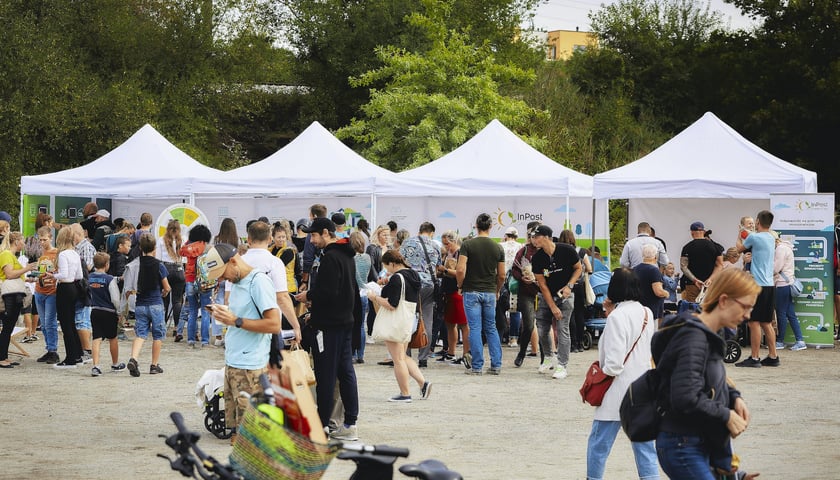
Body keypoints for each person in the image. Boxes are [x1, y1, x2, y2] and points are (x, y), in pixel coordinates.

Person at [654, 268, 758, 479]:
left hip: (696, 440)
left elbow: (711, 379)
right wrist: (726, 414)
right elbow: (685, 396)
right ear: (723, 300)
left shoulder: (709, 333)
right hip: (683, 444)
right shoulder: (695, 337)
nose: (747, 316)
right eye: (745, 307)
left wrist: (734, 397)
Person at [198, 243, 282, 444]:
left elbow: (273, 323)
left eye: (222, 273)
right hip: (235, 361)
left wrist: (235, 320)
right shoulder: (237, 282)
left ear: (233, 261)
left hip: (251, 364)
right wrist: (224, 313)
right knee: (237, 432)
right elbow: (241, 315)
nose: (221, 279)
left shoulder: (258, 282)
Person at [585, 267, 658, 480]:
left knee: (599, 444)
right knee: (645, 448)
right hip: (642, 389)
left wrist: (602, 371)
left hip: (617, 391)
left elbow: (614, 363)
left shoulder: (617, 317)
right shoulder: (647, 312)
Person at [294, 217, 360, 441]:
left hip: (329, 326)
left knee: (326, 375)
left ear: (325, 233)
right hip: (344, 323)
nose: (311, 241)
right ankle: (350, 423)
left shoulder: (331, 257)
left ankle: (321, 426)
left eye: (313, 236)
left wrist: (308, 296)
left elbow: (328, 292)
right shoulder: (346, 255)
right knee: (345, 373)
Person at [367, 249, 432, 402]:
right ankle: (423, 383)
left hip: (397, 322)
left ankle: (405, 394)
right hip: (410, 319)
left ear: (392, 263)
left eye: (387, 266)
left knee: (398, 360)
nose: (386, 269)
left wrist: (374, 297)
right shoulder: (413, 274)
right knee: (403, 356)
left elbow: (391, 304)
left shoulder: (397, 278)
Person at [456, 213, 505, 375]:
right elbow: (502, 275)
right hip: (490, 292)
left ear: (476, 226)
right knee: (491, 327)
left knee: (475, 328)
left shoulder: (467, 245)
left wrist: (460, 285)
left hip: (471, 291)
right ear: (491, 227)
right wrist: (497, 290)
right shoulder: (498, 247)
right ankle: (496, 365)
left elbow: (461, 269)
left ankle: (477, 366)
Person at [530, 224, 582, 379]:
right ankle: (547, 356)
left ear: (547, 237)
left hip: (565, 296)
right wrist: (552, 306)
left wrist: (569, 285)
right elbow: (542, 285)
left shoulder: (567, 250)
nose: (534, 240)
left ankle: (562, 365)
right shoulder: (538, 258)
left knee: (562, 328)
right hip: (546, 296)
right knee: (542, 328)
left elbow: (578, 268)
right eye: (533, 237)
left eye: (537, 236)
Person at [735, 210, 779, 367]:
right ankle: (773, 356)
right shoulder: (771, 237)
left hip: (757, 285)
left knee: (753, 322)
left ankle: (754, 358)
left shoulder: (754, 237)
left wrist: (740, 233)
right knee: (766, 322)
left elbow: (738, 249)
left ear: (758, 222)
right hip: (769, 285)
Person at [126, 233, 171, 377]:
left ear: (140, 248)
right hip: (156, 303)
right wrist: (164, 293)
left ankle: (134, 358)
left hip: (140, 304)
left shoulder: (136, 264)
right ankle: (154, 365)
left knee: (141, 334)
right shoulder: (159, 265)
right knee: (158, 336)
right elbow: (167, 287)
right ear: (155, 248)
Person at [399, 221, 441, 368]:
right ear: (431, 232)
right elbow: (437, 267)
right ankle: (423, 358)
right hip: (429, 286)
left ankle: (406, 354)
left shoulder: (407, 243)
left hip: (410, 284)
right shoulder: (436, 245)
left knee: (407, 319)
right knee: (427, 320)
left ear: (420, 230)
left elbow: (400, 262)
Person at [44, 228, 84, 368]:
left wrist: (53, 275)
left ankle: (70, 358)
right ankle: (78, 354)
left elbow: (64, 274)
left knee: (65, 324)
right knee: (71, 323)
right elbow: (79, 275)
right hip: (74, 287)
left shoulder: (62, 255)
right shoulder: (75, 253)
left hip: (64, 288)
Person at [0, 232, 38, 368]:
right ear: (16, 241)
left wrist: (28, 278)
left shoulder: (11, 256)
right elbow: (9, 274)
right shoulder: (6, 255)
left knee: (9, 327)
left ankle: (3, 356)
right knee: (7, 326)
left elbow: (14, 275)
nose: (24, 244)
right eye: (22, 241)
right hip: (10, 295)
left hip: (14, 294)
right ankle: (1, 358)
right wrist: (27, 269)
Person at [88, 252, 126, 376]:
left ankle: (95, 365)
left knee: (96, 338)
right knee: (112, 337)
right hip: (108, 312)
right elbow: (115, 298)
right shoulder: (109, 279)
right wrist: (119, 312)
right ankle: (115, 363)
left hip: (95, 310)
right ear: (107, 264)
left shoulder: (90, 277)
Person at [436, 231, 470, 364]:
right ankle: (451, 352)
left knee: (463, 325)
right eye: (444, 244)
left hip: (458, 292)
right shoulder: (448, 254)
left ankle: (466, 354)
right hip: (448, 292)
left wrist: (444, 270)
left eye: (447, 243)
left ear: (454, 241)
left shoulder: (461, 254)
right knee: (450, 324)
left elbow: (460, 272)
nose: (445, 246)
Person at [511, 222, 543, 367]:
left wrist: (538, 278)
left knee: (544, 326)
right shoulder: (523, 251)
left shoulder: (546, 252)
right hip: (526, 293)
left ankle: (545, 357)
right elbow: (514, 269)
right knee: (529, 325)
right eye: (532, 236)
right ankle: (522, 352)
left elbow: (551, 272)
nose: (535, 239)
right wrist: (521, 277)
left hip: (544, 292)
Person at [558, 229, 592, 353]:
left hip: (566, 286)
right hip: (580, 285)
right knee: (579, 314)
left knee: (569, 314)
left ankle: (571, 344)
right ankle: (580, 343)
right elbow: (589, 268)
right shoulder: (581, 251)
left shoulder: (559, 251)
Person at [180, 224, 212, 347]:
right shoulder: (207, 247)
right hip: (205, 282)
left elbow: (180, 251)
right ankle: (205, 341)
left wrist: (189, 241)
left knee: (192, 311)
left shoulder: (189, 247)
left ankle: (191, 339)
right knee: (205, 311)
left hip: (190, 280)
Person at [773, 232, 806, 351]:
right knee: (790, 314)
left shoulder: (780, 249)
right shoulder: (786, 247)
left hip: (782, 284)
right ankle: (800, 340)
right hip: (787, 284)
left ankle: (780, 341)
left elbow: (776, 268)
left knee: (781, 313)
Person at [34, 226, 61, 364]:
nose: (42, 242)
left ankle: (53, 350)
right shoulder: (40, 253)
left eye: (45, 239)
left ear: (50, 237)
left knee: (50, 322)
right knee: (44, 324)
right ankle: (49, 348)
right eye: (40, 240)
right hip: (39, 289)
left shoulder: (56, 253)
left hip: (52, 291)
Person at [680, 221, 724, 303]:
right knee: (709, 309)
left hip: (692, 284)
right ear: (703, 231)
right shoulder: (715, 247)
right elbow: (720, 265)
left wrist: (695, 280)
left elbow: (683, 267)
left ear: (692, 232)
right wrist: (710, 279)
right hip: (710, 285)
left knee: (692, 310)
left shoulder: (687, 247)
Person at [156, 220, 185, 341]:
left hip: (165, 269)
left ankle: (162, 327)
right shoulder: (183, 239)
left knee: (164, 300)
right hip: (179, 269)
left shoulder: (161, 240)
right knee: (177, 301)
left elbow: (158, 258)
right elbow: (185, 259)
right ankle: (177, 328)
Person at [351, 231, 371, 364]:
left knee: (352, 325)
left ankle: (352, 353)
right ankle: (361, 354)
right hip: (364, 293)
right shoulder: (367, 257)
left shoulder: (351, 258)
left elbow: (355, 277)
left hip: (354, 293)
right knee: (361, 325)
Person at [633, 244, 669, 320]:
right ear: (656, 256)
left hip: (638, 307)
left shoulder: (635, 269)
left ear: (643, 255)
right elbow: (658, 292)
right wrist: (666, 293)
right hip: (651, 309)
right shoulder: (654, 271)